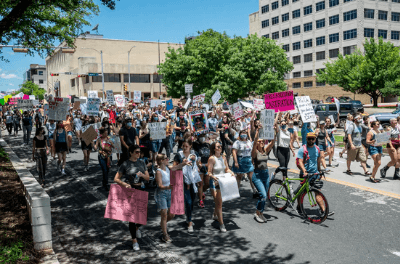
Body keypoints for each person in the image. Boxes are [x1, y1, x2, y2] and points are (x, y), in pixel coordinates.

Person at [114, 145, 150, 251]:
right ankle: (134, 241)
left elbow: (147, 178)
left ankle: (137, 228)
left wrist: (142, 175)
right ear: (131, 152)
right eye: (136, 152)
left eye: (139, 152)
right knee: (132, 218)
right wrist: (124, 184)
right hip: (130, 191)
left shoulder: (142, 163)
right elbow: (116, 178)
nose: (138, 154)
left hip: (141, 189)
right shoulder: (125, 164)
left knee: (144, 216)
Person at [297, 132, 333, 216]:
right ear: (306, 139)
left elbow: (318, 160)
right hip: (305, 174)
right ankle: (299, 206)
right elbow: (300, 161)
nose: (311, 140)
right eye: (309, 139)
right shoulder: (302, 149)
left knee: (317, 192)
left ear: (315, 139)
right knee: (301, 192)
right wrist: (304, 170)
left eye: (312, 139)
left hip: (314, 174)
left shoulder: (317, 148)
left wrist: (319, 170)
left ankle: (323, 211)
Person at [154, 153, 189, 242]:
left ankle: (163, 224)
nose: (168, 159)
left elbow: (177, 167)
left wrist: (185, 163)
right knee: (164, 214)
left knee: (172, 214)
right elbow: (160, 186)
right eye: (166, 158)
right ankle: (165, 234)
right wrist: (168, 187)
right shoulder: (158, 172)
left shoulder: (168, 168)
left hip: (169, 192)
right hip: (162, 193)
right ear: (161, 161)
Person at [173, 138, 202, 233]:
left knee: (192, 200)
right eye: (183, 146)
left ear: (190, 146)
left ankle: (188, 216)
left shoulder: (194, 154)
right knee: (188, 202)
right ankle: (189, 221)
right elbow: (173, 168)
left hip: (193, 181)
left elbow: (198, 165)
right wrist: (182, 164)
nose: (184, 148)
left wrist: (198, 166)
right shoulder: (179, 155)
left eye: (186, 146)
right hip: (183, 181)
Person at [207, 141, 235, 232]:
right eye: (218, 146)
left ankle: (215, 215)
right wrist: (213, 177)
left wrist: (231, 173)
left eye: (220, 146)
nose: (220, 148)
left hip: (223, 182)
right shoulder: (212, 158)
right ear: (214, 149)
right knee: (219, 204)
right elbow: (209, 172)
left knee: (218, 202)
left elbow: (226, 169)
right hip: (214, 183)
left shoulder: (223, 158)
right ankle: (221, 224)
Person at [251, 124, 275, 223]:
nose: (261, 142)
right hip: (257, 176)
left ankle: (261, 212)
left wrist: (275, 130)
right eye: (259, 142)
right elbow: (255, 141)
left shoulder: (265, 150)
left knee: (264, 197)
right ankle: (257, 212)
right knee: (263, 195)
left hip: (265, 175)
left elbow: (273, 142)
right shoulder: (254, 152)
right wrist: (258, 131)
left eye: (262, 141)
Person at [232, 130, 257, 196]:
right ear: (240, 135)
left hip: (248, 160)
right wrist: (236, 162)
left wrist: (253, 159)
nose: (244, 135)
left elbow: (252, 151)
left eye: (245, 133)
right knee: (239, 177)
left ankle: (254, 190)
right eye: (242, 133)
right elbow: (234, 152)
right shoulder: (237, 142)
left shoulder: (249, 142)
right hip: (240, 160)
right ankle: (236, 191)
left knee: (251, 176)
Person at [273, 112, 296, 179]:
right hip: (280, 150)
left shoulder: (288, 132)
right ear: (280, 125)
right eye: (281, 123)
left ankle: (284, 178)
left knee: (285, 165)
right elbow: (275, 123)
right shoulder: (279, 131)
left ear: (286, 124)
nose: (283, 124)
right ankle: (274, 173)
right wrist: (277, 115)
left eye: (284, 123)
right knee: (282, 165)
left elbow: (289, 143)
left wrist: (292, 150)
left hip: (287, 150)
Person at [193, 132, 211, 208]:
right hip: (199, 166)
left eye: (203, 136)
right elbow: (193, 154)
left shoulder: (208, 144)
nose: (202, 137)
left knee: (207, 184)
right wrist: (198, 164)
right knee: (200, 184)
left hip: (207, 166)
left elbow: (211, 154)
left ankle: (201, 192)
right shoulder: (194, 144)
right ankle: (200, 200)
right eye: (200, 136)